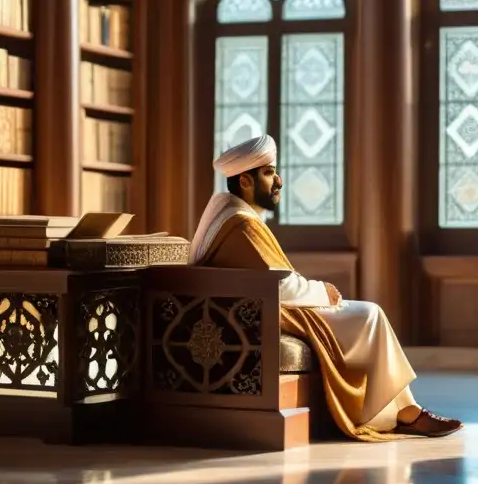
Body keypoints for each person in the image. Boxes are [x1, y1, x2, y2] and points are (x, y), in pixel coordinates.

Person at [190, 135, 462, 441]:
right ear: (245, 181)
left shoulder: (229, 213)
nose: (278, 180)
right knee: (370, 315)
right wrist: (323, 293)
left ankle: (405, 412)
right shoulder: (242, 224)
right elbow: (283, 287)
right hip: (263, 311)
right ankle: (402, 414)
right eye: (268, 173)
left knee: (368, 315)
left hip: (261, 306)